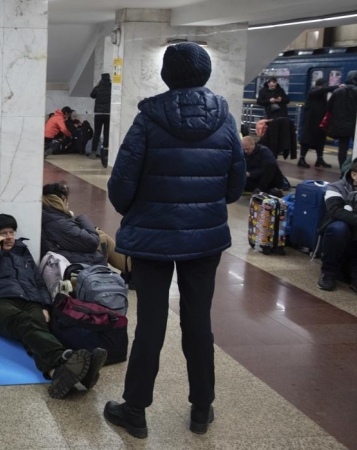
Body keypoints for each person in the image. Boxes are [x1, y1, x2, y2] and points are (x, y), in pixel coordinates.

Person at [104, 42, 246, 438]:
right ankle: (202, 409)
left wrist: (141, 211)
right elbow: (236, 185)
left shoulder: (148, 119)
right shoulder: (224, 119)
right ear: (204, 74)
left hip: (152, 238)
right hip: (205, 239)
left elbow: (121, 187)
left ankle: (135, 411)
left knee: (151, 323)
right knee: (198, 321)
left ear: (166, 75)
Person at [0, 214, 107, 399]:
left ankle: (59, 372)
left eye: (11, 232)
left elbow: (38, 281)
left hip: (30, 301)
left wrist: (45, 305)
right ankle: (66, 359)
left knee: (37, 328)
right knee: (25, 322)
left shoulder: (22, 250)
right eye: (3, 233)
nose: (9, 237)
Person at [40, 182, 129, 273]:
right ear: (61, 200)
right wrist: (82, 219)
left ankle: (129, 269)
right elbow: (92, 242)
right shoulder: (58, 222)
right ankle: (130, 270)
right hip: (70, 259)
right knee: (103, 239)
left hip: (62, 252)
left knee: (99, 234)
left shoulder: (49, 214)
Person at [317, 155, 357, 297]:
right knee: (339, 228)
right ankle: (328, 273)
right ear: (354, 174)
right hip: (342, 232)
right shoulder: (336, 187)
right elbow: (335, 211)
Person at [298, 79, 338, 168]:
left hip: (320, 121)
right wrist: (336, 87)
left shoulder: (322, 95)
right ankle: (301, 159)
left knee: (320, 140)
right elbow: (321, 91)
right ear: (319, 85)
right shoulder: (312, 92)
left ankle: (320, 159)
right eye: (324, 85)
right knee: (307, 140)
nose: (325, 87)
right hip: (310, 121)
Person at [327, 71, 357, 168]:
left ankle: (343, 168)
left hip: (340, 124)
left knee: (342, 147)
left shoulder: (338, 91)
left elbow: (329, 107)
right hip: (356, 124)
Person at [90, 73, 112, 166]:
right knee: (106, 133)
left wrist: (97, 86)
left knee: (97, 133)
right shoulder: (112, 87)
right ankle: (105, 151)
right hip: (108, 113)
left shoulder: (98, 88)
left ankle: (93, 152)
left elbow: (92, 95)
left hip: (98, 114)